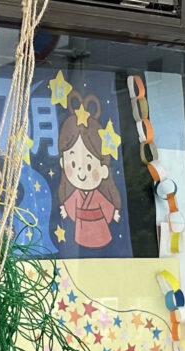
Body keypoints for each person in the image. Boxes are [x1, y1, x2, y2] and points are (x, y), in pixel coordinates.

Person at [58, 93, 122, 249]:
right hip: (81, 233)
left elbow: (105, 205)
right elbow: (72, 203)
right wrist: (66, 209)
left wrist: (113, 212)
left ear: (103, 170)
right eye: (72, 163)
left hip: (100, 232)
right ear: (62, 161)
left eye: (88, 166)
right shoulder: (75, 194)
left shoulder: (98, 195)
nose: (80, 171)